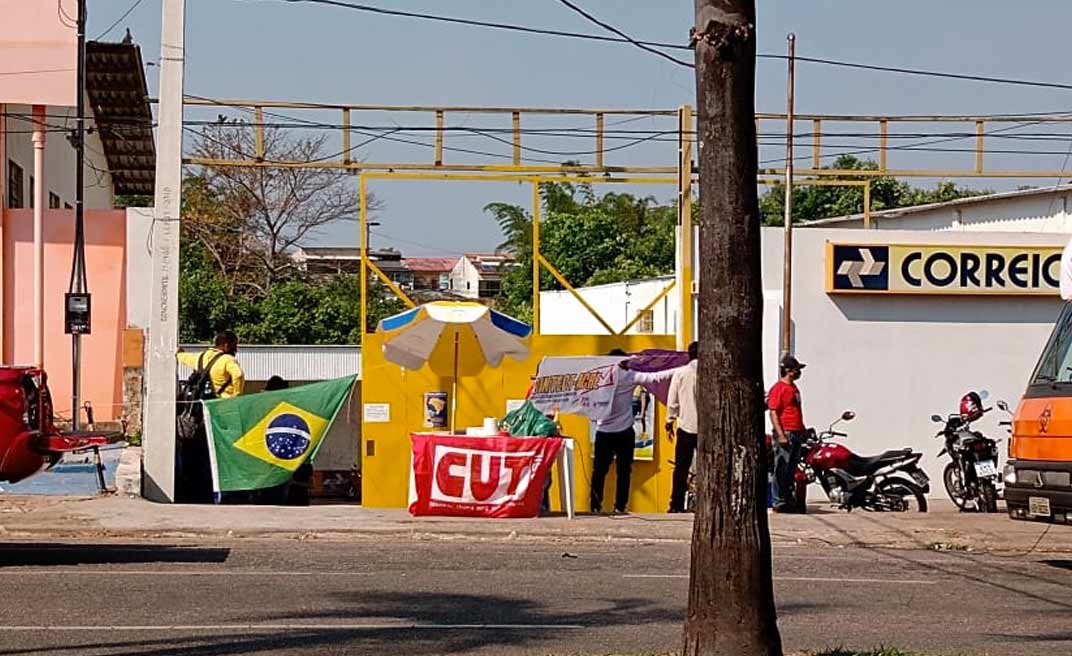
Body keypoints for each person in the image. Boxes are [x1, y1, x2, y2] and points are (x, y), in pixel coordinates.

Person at [590, 349, 675, 515]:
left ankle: (594, 505)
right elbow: (655, 377)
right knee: (624, 472)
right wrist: (678, 369)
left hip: (603, 432)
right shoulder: (629, 376)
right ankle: (620, 506)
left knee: (599, 471)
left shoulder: (599, 378)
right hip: (624, 432)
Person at [175, 330, 245, 503]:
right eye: (235, 345)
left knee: (198, 456)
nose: (236, 349)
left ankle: (195, 493)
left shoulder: (201, 357)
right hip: (221, 412)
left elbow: (182, 357)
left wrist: (179, 352)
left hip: (199, 414)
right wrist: (236, 395)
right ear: (226, 345)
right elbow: (238, 375)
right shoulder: (227, 360)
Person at [768, 354, 807, 513]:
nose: (799, 373)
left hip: (796, 433)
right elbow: (773, 412)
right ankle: (778, 501)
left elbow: (796, 411)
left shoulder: (794, 388)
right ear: (789, 371)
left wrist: (803, 430)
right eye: (797, 370)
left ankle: (788, 499)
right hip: (786, 433)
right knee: (781, 468)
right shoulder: (779, 388)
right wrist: (781, 435)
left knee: (791, 470)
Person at [666, 341, 698, 513]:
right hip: (707, 429)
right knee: (709, 466)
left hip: (686, 425)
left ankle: (676, 503)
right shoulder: (711, 373)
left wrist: (669, 420)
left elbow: (673, 400)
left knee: (681, 467)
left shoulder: (680, 373)